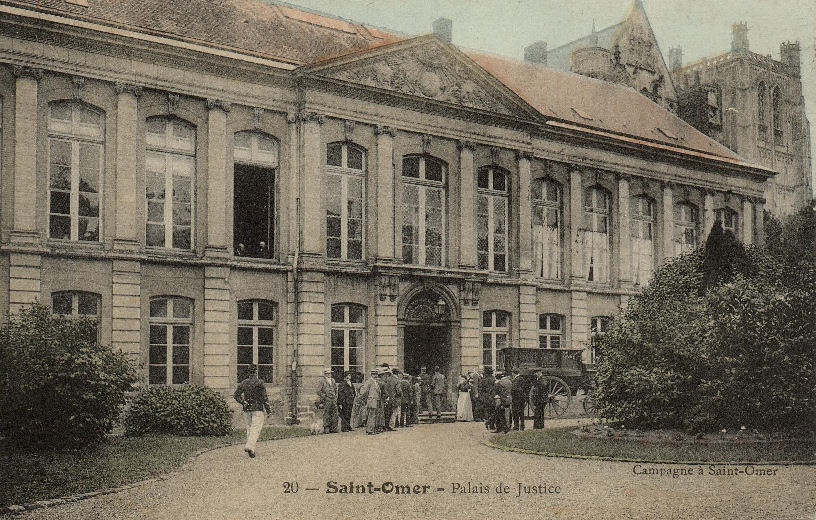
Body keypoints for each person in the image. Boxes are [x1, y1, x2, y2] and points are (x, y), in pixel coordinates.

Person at [233, 364, 271, 458]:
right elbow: (265, 398)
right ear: (256, 372)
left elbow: (236, 395)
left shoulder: (244, 383)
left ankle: (252, 450)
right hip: (258, 408)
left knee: (249, 428)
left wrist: (243, 402)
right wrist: (268, 410)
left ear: (248, 372)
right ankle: (249, 445)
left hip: (247, 408)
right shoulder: (260, 383)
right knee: (256, 428)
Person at [358, 368, 381, 435]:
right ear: (371, 374)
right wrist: (365, 398)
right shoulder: (369, 381)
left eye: (376, 374)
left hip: (376, 400)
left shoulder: (375, 382)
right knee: (371, 415)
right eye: (374, 374)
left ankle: (372, 429)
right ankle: (370, 430)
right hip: (371, 400)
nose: (375, 375)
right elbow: (363, 391)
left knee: (373, 415)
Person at [316, 368, 340, 434]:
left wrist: (335, 396)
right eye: (328, 373)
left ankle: (334, 428)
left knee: (335, 414)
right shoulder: (322, 381)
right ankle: (326, 428)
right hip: (327, 400)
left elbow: (335, 389)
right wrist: (324, 396)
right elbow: (318, 391)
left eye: (330, 373)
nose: (329, 375)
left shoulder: (333, 380)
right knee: (327, 414)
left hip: (333, 399)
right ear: (325, 374)